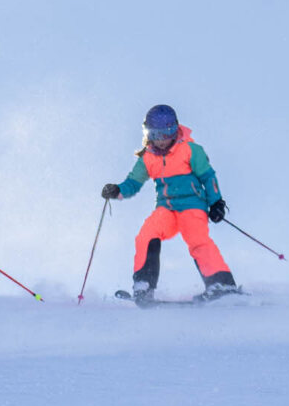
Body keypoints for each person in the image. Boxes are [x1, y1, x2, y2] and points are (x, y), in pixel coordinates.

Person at [101, 105, 239, 302]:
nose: (162, 139)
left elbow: (208, 177)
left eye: (167, 133)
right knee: (146, 235)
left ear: (175, 129)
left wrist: (216, 203)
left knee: (197, 239)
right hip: (166, 209)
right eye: (156, 134)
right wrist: (117, 190)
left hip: (192, 206)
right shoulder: (148, 157)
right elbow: (133, 183)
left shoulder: (190, 150)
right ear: (148, 133)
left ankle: (222, 284)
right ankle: (144, 285)